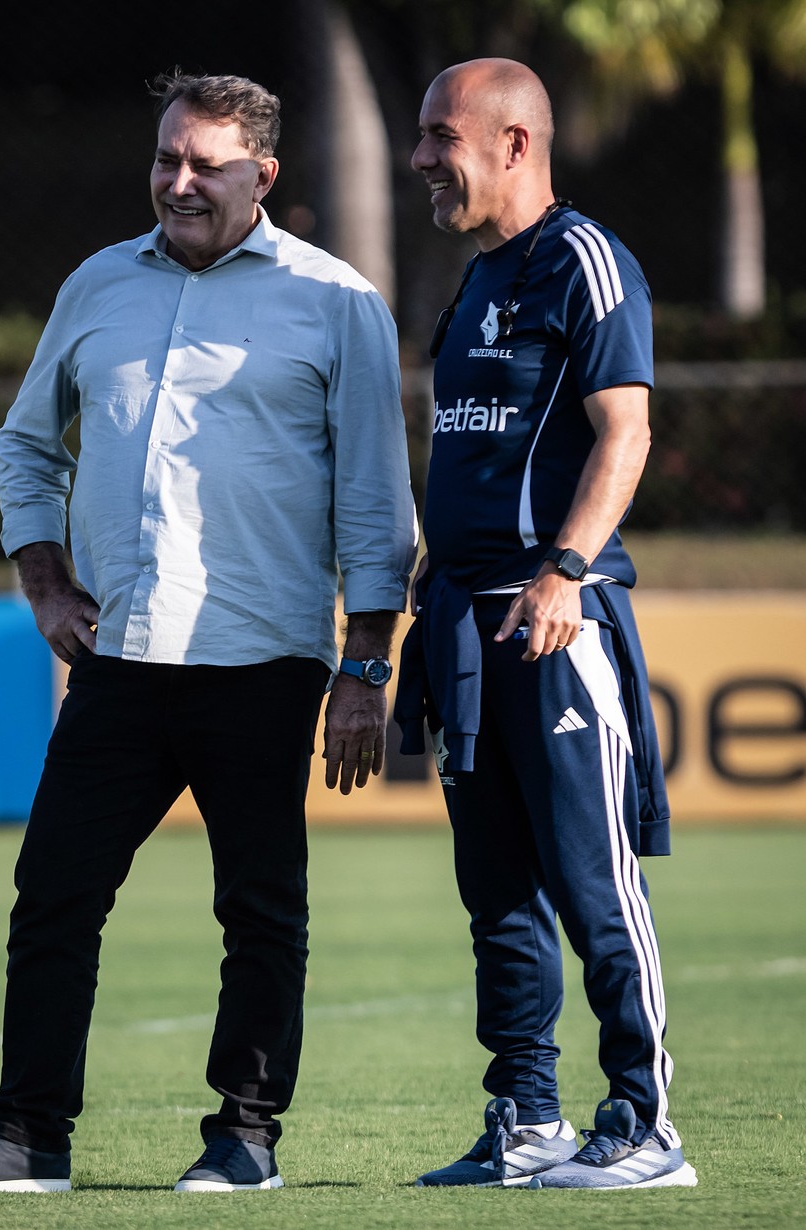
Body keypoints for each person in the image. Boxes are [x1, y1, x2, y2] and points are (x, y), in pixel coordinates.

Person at [0, 70, 416, 1196]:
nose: (178, 183)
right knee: (54, 898)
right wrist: (44, 580)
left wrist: (366, 667)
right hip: (120, 660)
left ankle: (244, 1139)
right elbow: (24, 445)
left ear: (262, 175)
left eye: (205, 164)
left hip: (265, 660)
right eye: (166, 159)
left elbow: (378, 508)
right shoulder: (96, 286)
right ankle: (30, 1139)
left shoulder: (336, 303)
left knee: (262, 911)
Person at [395, 58, 697, 1190]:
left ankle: (645, 1124)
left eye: (440, 134)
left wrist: (566, 570)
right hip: (466, 631)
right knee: (499, 893)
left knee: (591, 880)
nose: (421, 156)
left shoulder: (585, 261)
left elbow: (626, 432)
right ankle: (528, 1116)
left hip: (556, 620)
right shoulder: (472, 282)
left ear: (516, 143)